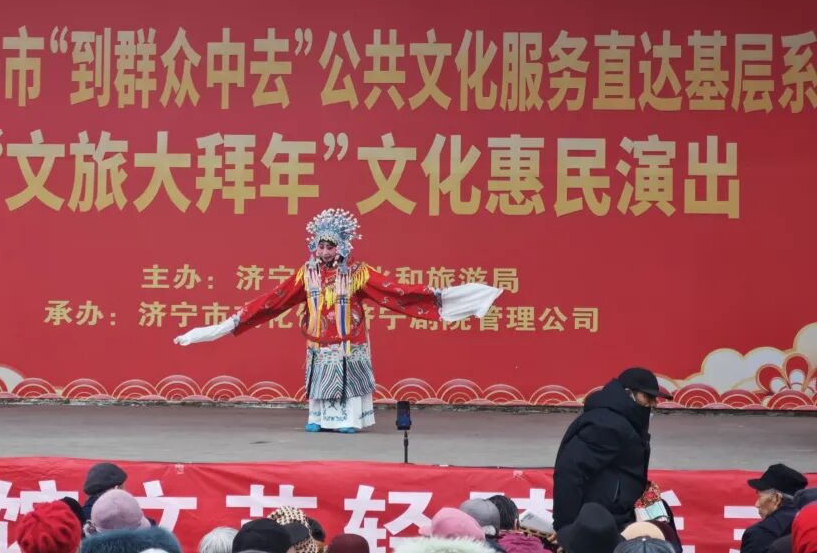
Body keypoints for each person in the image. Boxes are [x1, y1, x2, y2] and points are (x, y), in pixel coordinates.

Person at [174, 208, 502, 432]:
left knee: (347, 379)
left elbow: (396, 292)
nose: (323, 251)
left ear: (341, 247)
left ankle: (350, 420)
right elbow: (273, 300)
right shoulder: (307, 274)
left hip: (348, 341)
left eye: (329, 246)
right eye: (319, 245)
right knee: (320, 376)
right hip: (319, 341)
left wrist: (439, 298)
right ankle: (318, 418)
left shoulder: (358, 273)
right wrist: (226, 325)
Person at [553, 367, 672, 530]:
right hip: (601, 522)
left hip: (618, 514)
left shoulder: (627, 418)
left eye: (654, 398)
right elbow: (569, 472)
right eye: (648, 397)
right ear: (629, 393)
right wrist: (567, 527)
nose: (654, 404)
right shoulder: (607, 424)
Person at [740, 464, 808, 553]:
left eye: (760, 497)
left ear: (777, 498)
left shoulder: (759, 533)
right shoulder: (810, 528)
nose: (757, 505)